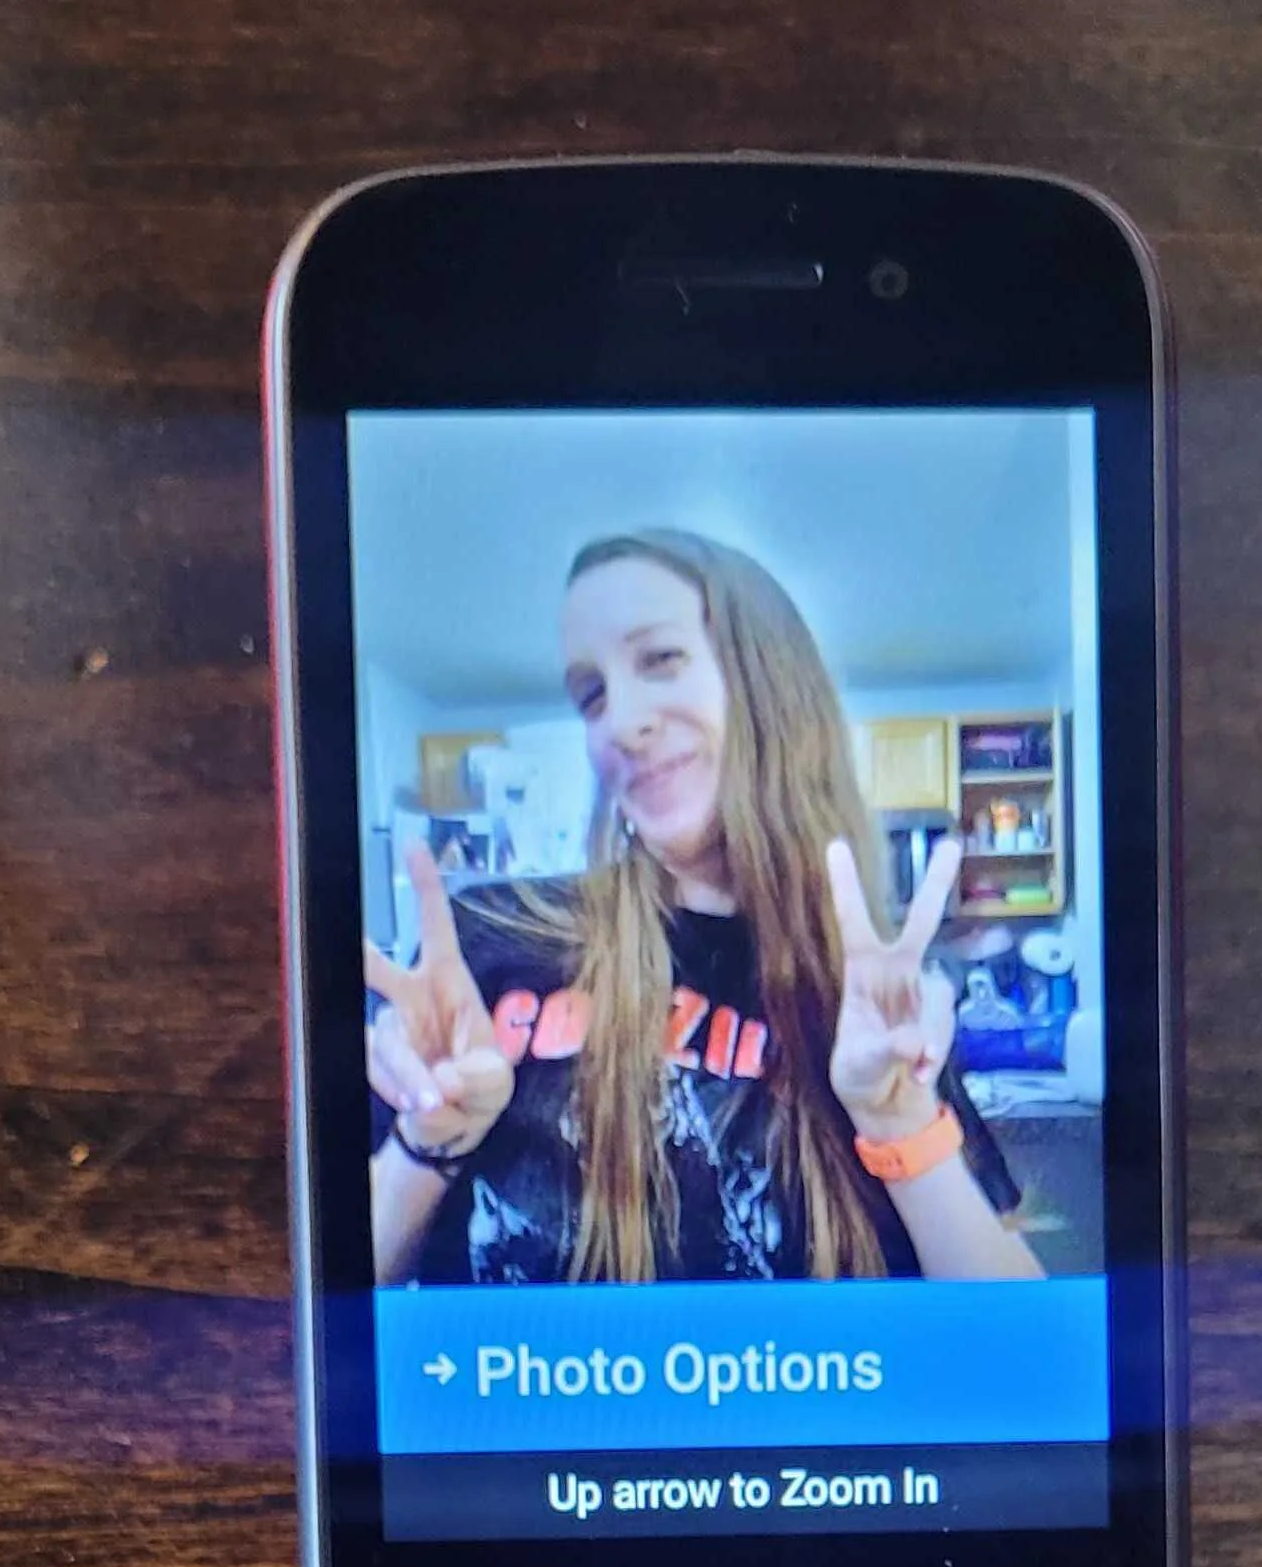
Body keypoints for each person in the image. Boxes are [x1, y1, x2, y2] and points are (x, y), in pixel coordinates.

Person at [363, 526, 1043, 1286]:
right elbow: (324, 1314)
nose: (620, 724)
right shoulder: (493, 939)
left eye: (660, 659)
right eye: (592, 695)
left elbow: (1025, 1344)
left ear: (771, 687)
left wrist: (900, 1124)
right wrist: (429, 1142)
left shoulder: (867, 997)